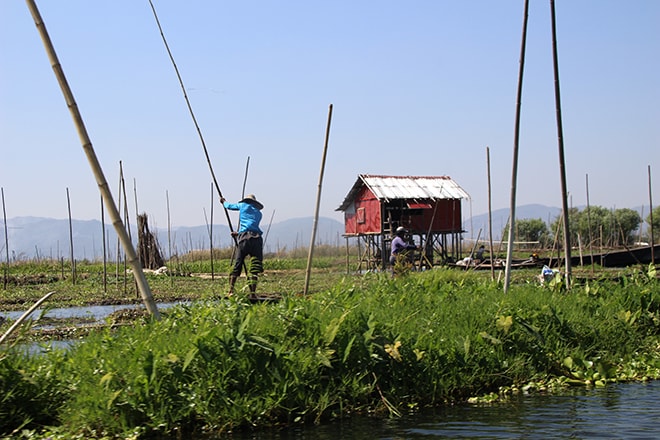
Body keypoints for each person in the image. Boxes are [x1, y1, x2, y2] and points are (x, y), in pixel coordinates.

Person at [220, 194, 264, 295]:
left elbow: (229, 206)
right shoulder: (259, 213)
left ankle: (231, 291)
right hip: (256, 239)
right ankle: (253, 293)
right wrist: (238, 233)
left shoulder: (243, 205)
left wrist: (223, 202)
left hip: (245, 238)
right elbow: (251, 226)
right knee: (254, 268)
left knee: (238, 264)